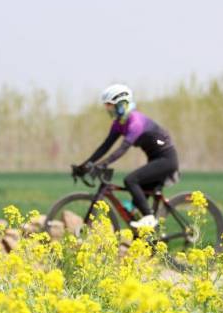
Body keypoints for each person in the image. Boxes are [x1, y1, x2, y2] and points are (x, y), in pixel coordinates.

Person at [76, 84, 179, 228]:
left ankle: (149, 217)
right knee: (136, 203)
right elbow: (105, 146)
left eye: (110, 105)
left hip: (167, 160)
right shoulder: (119, 123)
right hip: (155, 160)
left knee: (130, 180)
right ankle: (148, 236)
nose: (107, 109)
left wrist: (103, 164)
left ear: (121, 104)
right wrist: (85, 165)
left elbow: (122, 149)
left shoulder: (135, 122)